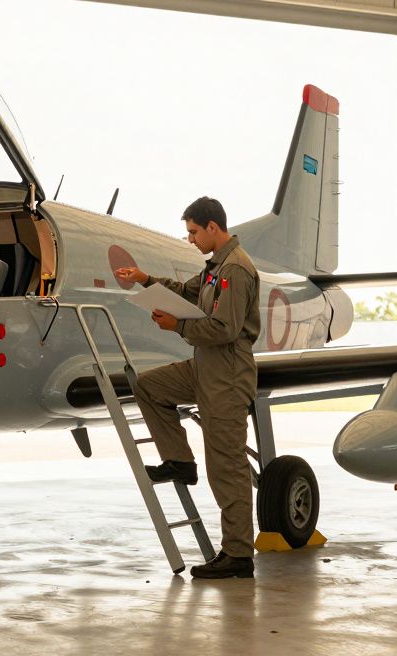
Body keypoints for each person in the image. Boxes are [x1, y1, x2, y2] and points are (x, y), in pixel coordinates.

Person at [114, 196, 260, 580]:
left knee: (227, 468)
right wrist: (146, 280)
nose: (190, 239)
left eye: (194, 232)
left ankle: (239, 555)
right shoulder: (216, 268)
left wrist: (176, 327)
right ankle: (180, 461)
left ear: (213, 227)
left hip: (226, 375)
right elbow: (189, 291)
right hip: (204, 366)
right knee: (149, 387)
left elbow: (225, 329)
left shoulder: (237, 270)